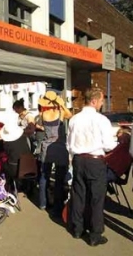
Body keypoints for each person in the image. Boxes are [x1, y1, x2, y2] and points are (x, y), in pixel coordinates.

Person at [67, 87, 116, 247]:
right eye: (101, 100)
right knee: (96, 198)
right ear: (94, 101)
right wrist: (117, 141)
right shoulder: (102, 120)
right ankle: (95, 234)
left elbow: (69, 144)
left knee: (79, 195)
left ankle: (77, 229)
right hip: (95, 161)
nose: (102, 103)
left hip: (79, 160)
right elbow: (109, 145)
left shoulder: (74, 119)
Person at [38, 91, 72, 216]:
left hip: (46, 147)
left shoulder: (43, 113)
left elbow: (40, 123)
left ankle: (43, 203)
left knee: (44, 176)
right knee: (59, 178)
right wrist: (61, 105)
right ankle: (58, 206)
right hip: (60, 147)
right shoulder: (60, 112)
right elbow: (70, 115)